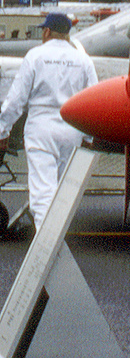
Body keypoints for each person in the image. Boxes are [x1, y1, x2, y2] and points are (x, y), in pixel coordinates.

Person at [0, 13, 99, 232]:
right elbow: (93, 99)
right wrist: (89, 137)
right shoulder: (83, 60)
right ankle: (56, 238)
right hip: (72, 131)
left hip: (41, 129)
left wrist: (2, 130)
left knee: (43, 193)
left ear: (46, 32)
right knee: (61, 194)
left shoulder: (35, 56)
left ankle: (47, 245)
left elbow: (16, 100)